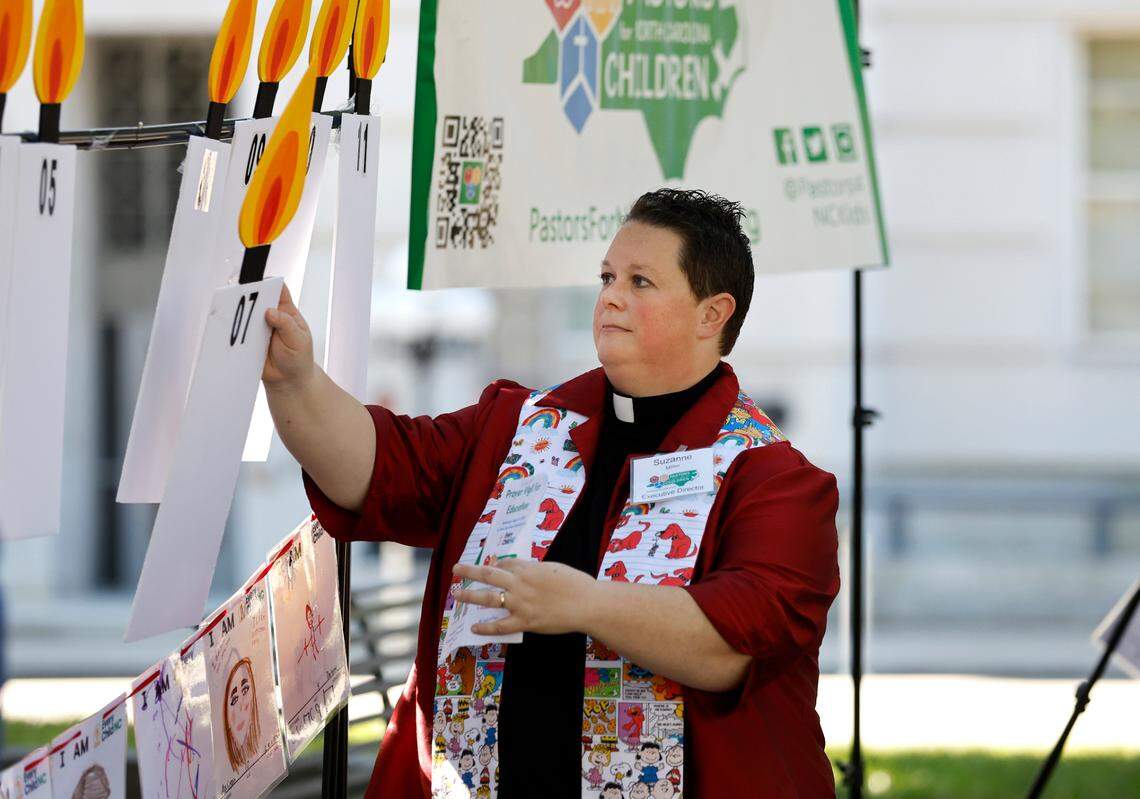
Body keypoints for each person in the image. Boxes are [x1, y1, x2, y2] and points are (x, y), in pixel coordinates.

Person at [263, 189, 840, 798]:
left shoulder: (777, 480)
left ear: (712, 315)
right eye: (607, 276)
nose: (610, 296)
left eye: (641, 281)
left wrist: (585, 604)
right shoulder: (518, 424)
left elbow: (730, 648)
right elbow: (378, 469)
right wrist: (296, 379)